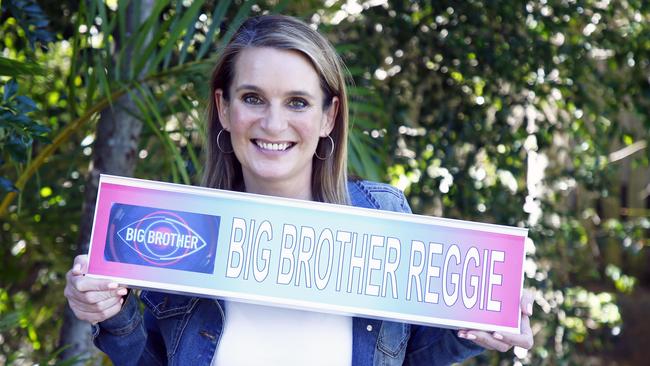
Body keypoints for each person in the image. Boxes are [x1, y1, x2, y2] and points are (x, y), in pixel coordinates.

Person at [64, 14, 534, 365]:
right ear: (223, 110)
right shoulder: (179, 229)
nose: (272, 123)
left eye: (297, 102)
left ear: (328, 116)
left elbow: (409, 354)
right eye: (252, 99)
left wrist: (478, 329)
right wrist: (109, 311)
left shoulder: (381, 216)